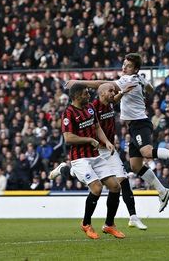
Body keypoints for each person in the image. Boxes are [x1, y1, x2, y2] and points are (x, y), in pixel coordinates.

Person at [51, 83, 168, 230]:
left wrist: (123, 93)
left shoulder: (109, 104)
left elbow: (114, 100)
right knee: (93, 183)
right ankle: (66, 170)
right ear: (102, 94)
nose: (114, 93)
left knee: (121, 181)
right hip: (94, 150)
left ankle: (132, 217)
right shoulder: (92, 106)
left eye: (114, 91)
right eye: (110, 91)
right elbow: (80, 129)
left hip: (108, 149)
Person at [61, 83, 124, 239]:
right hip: (80, 158)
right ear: (76, 96)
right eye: (85, 94)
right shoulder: (68, 113)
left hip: (95, 155)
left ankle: (109, 225)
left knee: (115, 186)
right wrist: (89, 140)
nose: (88, 95)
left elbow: (97, 128)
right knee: (96, 188)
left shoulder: (90, 108)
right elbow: (68, 138)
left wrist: (107, 142)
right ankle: (86, 223)